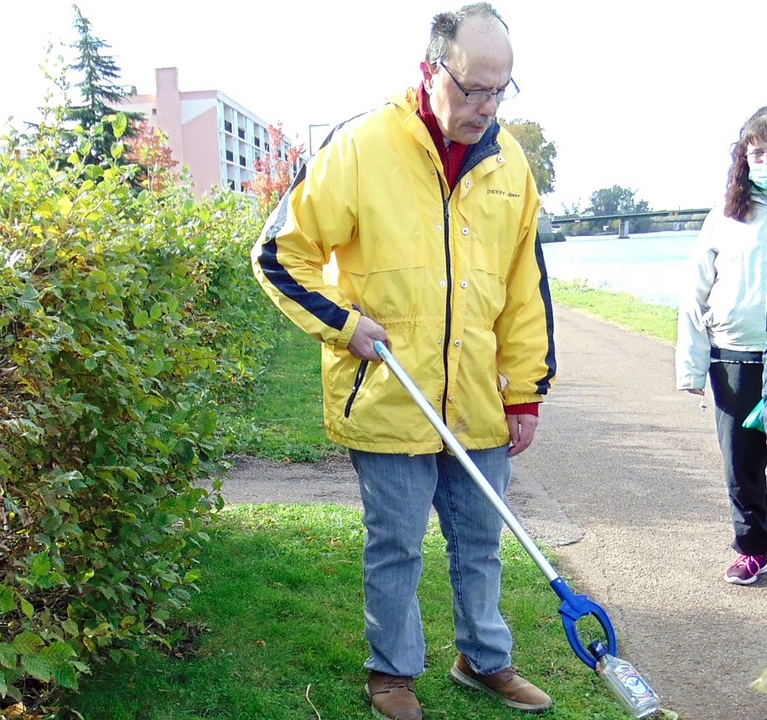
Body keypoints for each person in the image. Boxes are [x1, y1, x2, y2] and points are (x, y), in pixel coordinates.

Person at [249, 4, 555, 719]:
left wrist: (525, 390)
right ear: (429, 69)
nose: (488, 107)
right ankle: (392, 673)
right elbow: (279, 254)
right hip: (391, 392)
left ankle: (484, 660)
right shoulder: (360, 146)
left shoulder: (511, 165)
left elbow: (526, 288)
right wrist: (344, 324)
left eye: (501, 90)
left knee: (481, 542)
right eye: (473, 89)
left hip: (477, 396)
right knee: (396, 545)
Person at [675, 105, 767, 589]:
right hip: (733, 353)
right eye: (757, 152)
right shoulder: (726, 212)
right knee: (741, 462)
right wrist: (691, 367)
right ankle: (752, 548)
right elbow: (695, 289)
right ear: (743, 156)